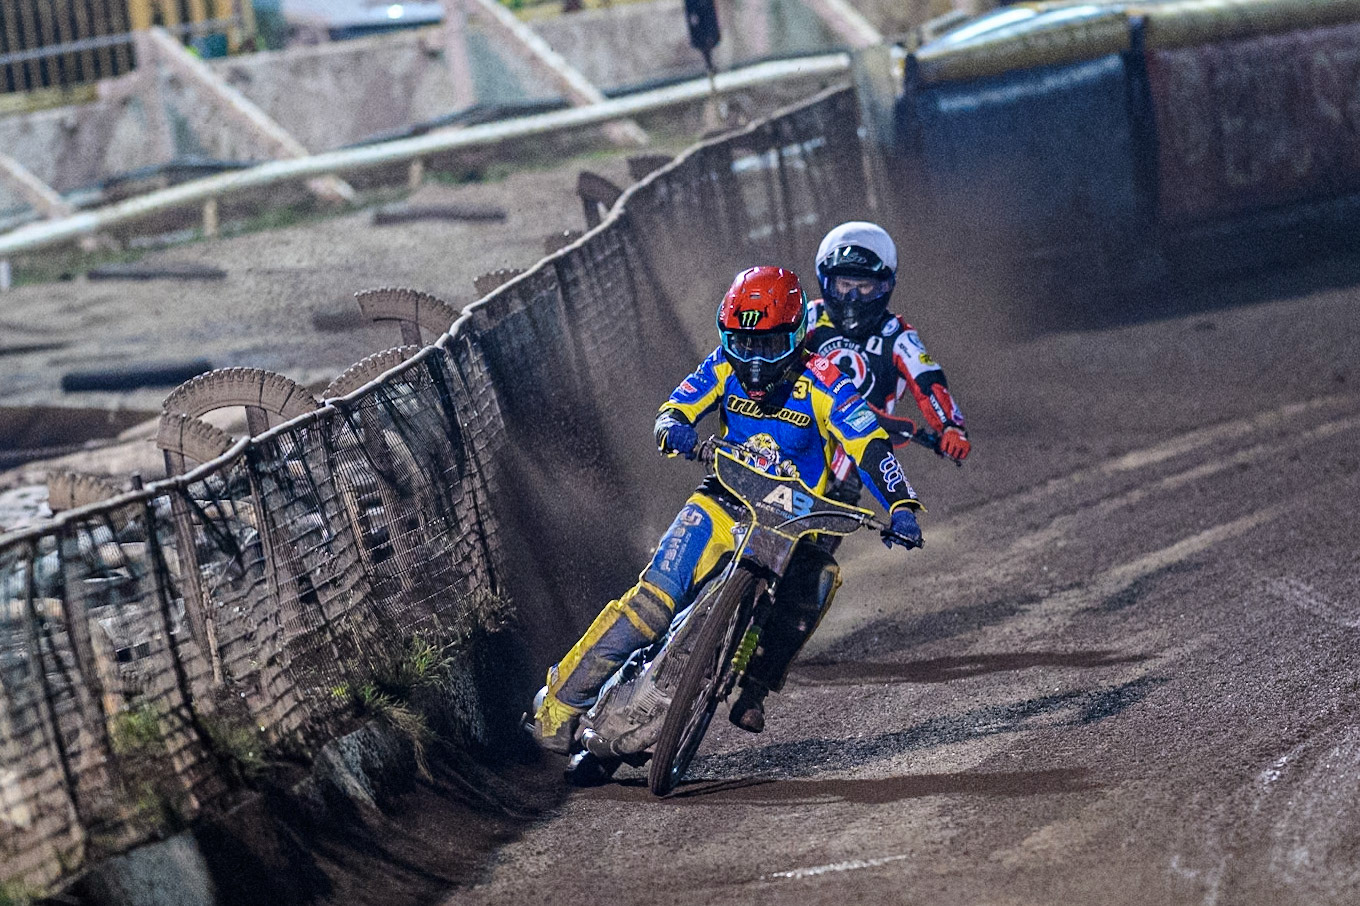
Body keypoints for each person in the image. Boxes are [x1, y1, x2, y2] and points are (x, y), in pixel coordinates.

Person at [531, 266, 925, 752]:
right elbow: (674, 408)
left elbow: (871, 445)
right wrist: (672, 428)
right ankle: (558, 703)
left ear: (798, 334)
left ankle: (755, 687)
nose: (754, 360)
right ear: (725, 335)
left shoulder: (826, 380)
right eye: (742, 343)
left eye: (769, 344)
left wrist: (901, 504)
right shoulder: (720, 364)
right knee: (651, 604)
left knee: (820, 579)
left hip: (792, 521)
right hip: (722, 500)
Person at [807, 222, 970, 504]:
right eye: (845, 285)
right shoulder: (809, 316)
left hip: (857, 445)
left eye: (864, 287)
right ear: (827, 281)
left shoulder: (897, 334)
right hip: (796, 424)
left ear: (884, 286)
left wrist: (950, 426)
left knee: (840, 499)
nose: (853, 298)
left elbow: (927, 379)